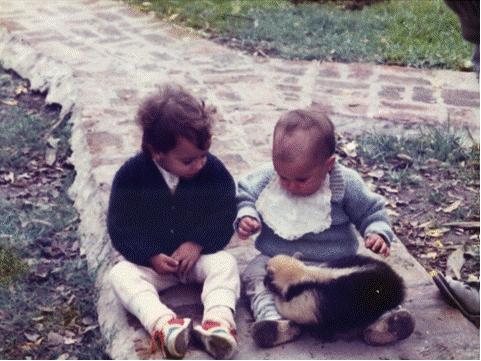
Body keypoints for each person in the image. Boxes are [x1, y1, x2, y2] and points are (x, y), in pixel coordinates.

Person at [235, 109, 414, 347]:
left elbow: (371, 211)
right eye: (283, 176)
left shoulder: (345, 183)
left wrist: (377, 231)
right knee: (255, 274)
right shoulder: (269, 177)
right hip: (279, 262)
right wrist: (246, 214)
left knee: (368, 283)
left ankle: (385, 319)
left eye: (301, 180)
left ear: (328, 165)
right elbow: (244, 192)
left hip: (333, 263)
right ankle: (274, 320)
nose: (289, 185)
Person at [107, 84, 240, 359]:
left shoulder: (213, 171)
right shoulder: (132, 176)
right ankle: (164, 324)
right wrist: (150, 254)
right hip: (155, 266)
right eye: (189, 160)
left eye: (204, 154)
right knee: (120, 275)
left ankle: (218, 323)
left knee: (226, 265)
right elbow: (121, 226)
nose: (200, 164)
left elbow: (225, 211)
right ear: (157, 153)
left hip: (196, 259)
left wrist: (197, 242)